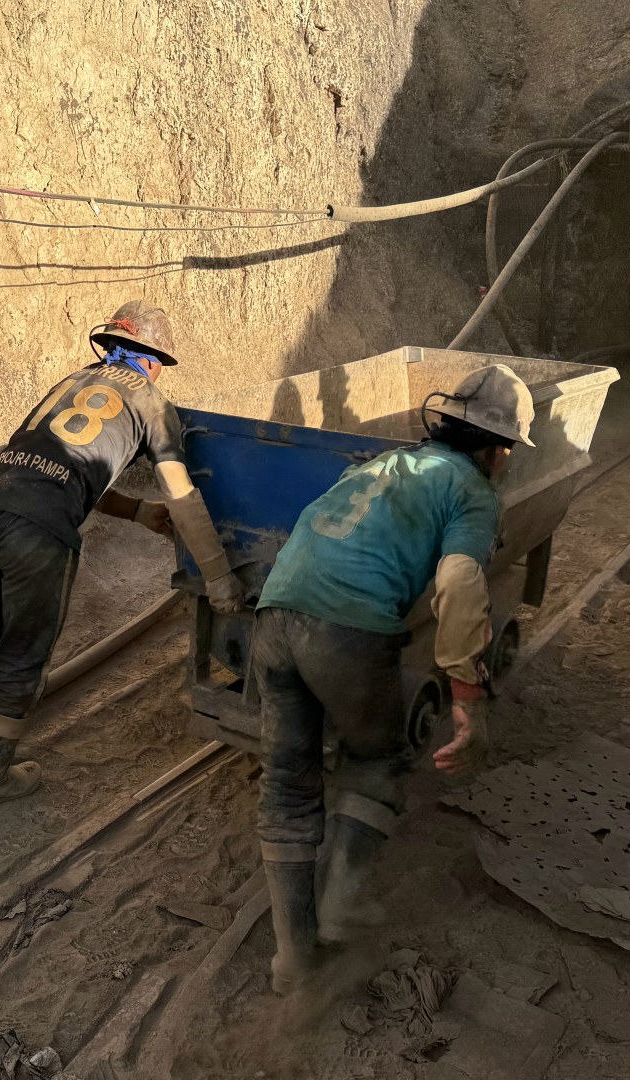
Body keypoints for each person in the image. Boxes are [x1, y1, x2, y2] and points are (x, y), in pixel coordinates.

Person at [249, 364, 536, 994]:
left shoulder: (383, 464)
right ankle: (341, 908)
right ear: (499, 448)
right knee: (374, 761)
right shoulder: (474, 490)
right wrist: (467, 699)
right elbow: (461, 584)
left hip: (272, 617)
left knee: (288, 787)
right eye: (509, 450)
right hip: (344, 631)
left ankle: (292, 960)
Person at [0, 301, 242, 803]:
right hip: (39, 531)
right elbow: (181, 494)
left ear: (110, 345)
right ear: (154, 358)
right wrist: (219, 575)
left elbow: (61, 466)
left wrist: (137, 512)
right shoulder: (155, 406)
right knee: (23, 653)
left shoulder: (72, 381)